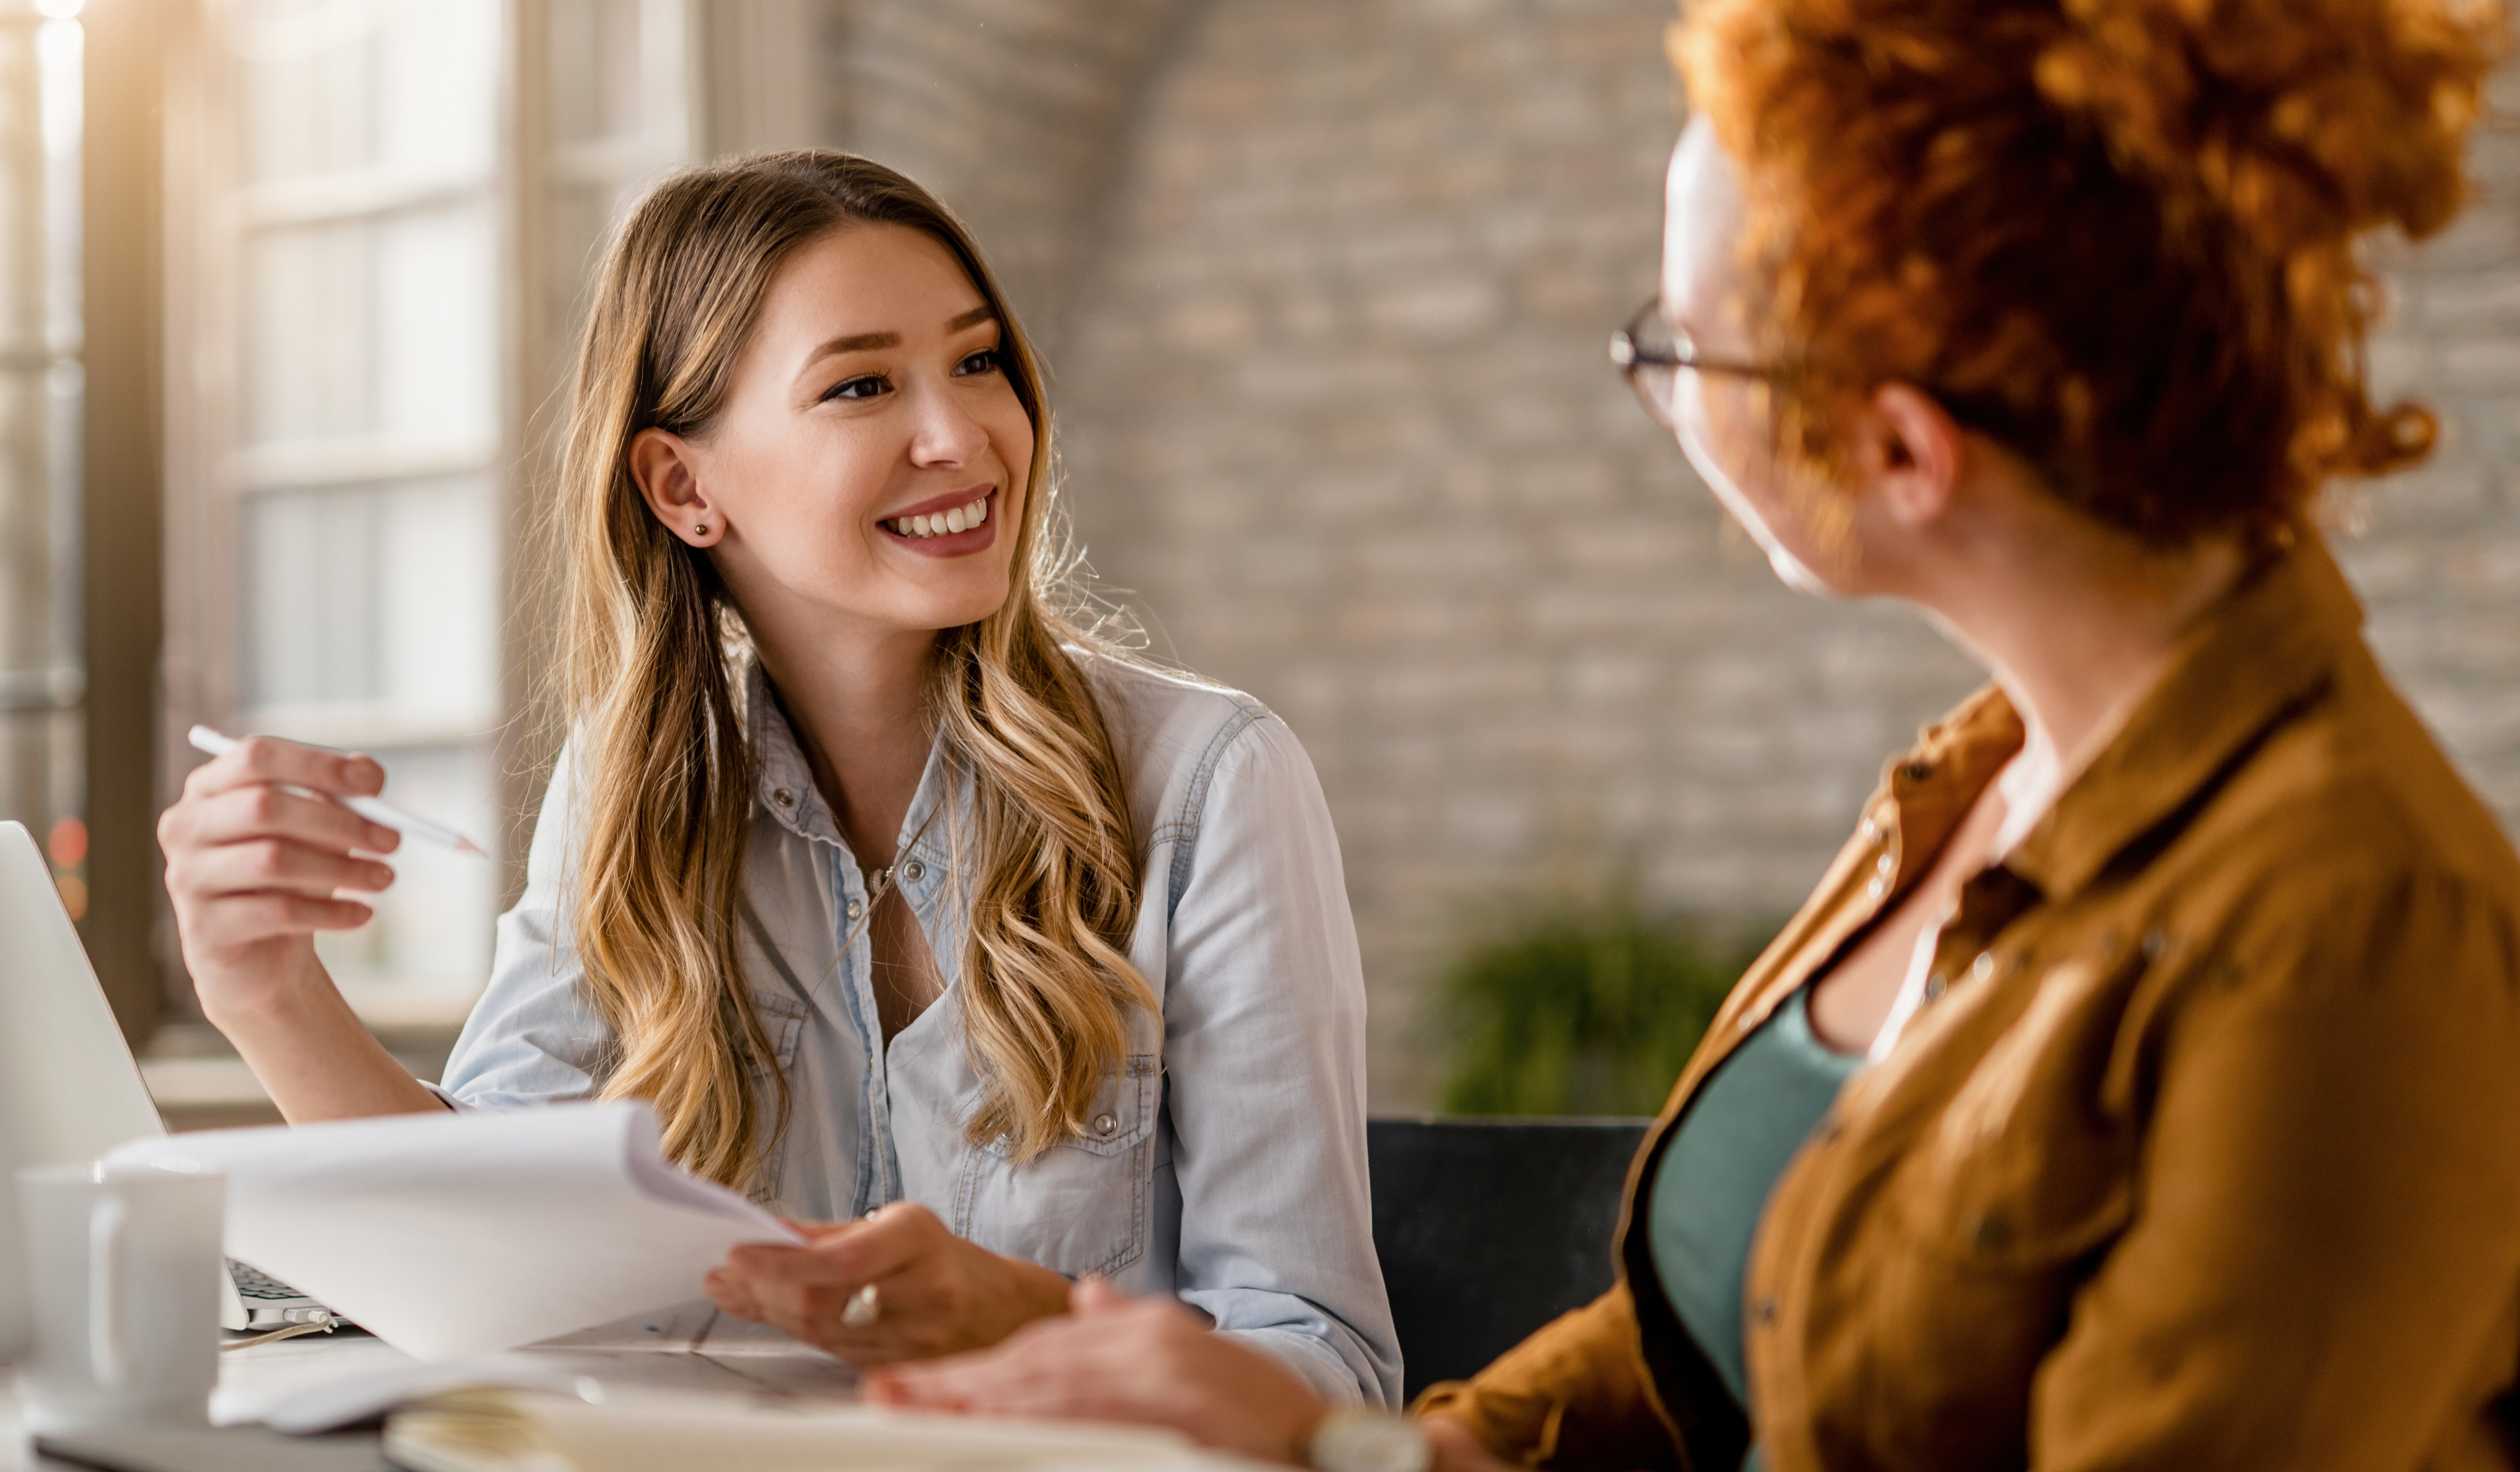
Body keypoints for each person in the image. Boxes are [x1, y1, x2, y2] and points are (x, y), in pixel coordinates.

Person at [867, 0, 2520, 1467]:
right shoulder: (1975, 786)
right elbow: (1718, 1337)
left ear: (1902, 453)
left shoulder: (2350, 927)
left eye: (1677, 345)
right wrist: (1366, 1445)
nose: (1662, 394)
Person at [155, 149, 1400, 1404]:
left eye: (979, 362)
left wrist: (1019, 1320)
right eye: (863, 384)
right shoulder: (632, 795)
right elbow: (476, 1256)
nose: (962, 436)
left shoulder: (1207, 785)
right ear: (684, 486)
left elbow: (1332, 1373)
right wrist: (269, 994)